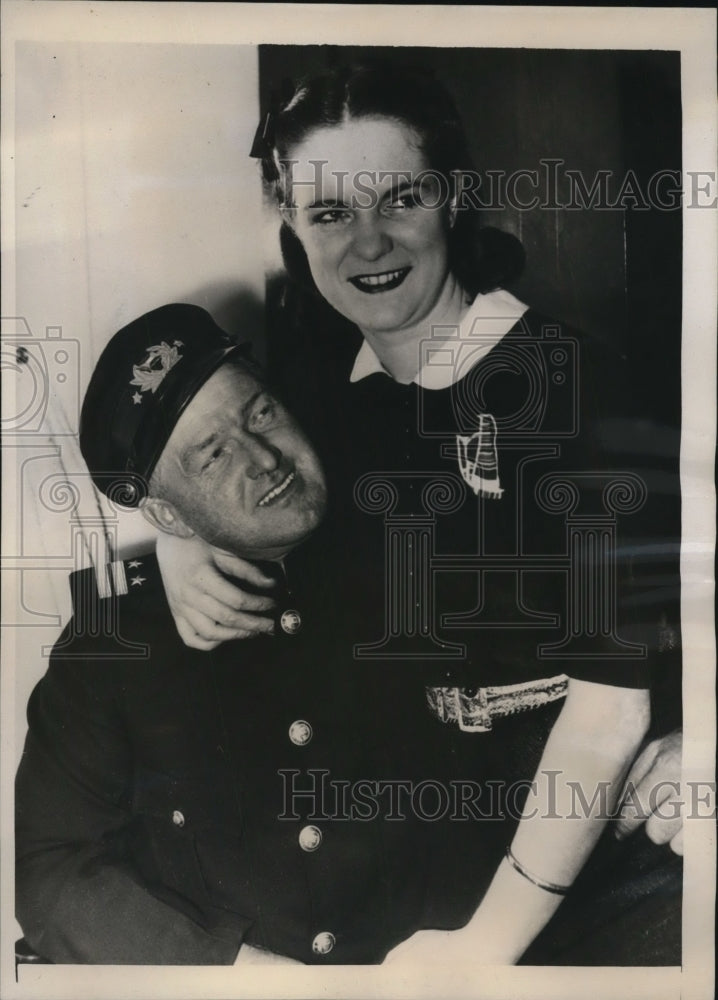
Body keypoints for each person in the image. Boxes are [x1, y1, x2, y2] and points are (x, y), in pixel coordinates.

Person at [158, 62, 684, 961]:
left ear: (455, 198)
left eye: (399, 198)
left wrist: (486, 946)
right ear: (291, 224)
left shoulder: (580, 384)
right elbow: (185, 452)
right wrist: (179, 539)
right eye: (328, 213)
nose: (367, 244)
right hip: (426, 875)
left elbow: (608, 709)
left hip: (593, 861)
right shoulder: (324, 404)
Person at [17, 303, 503, 965]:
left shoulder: (418, 538)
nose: (264, 459)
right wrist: (243, 977)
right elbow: (51, 877)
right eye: (213, 457)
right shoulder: (112, 646)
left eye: (262, 413)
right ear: (165, 514)